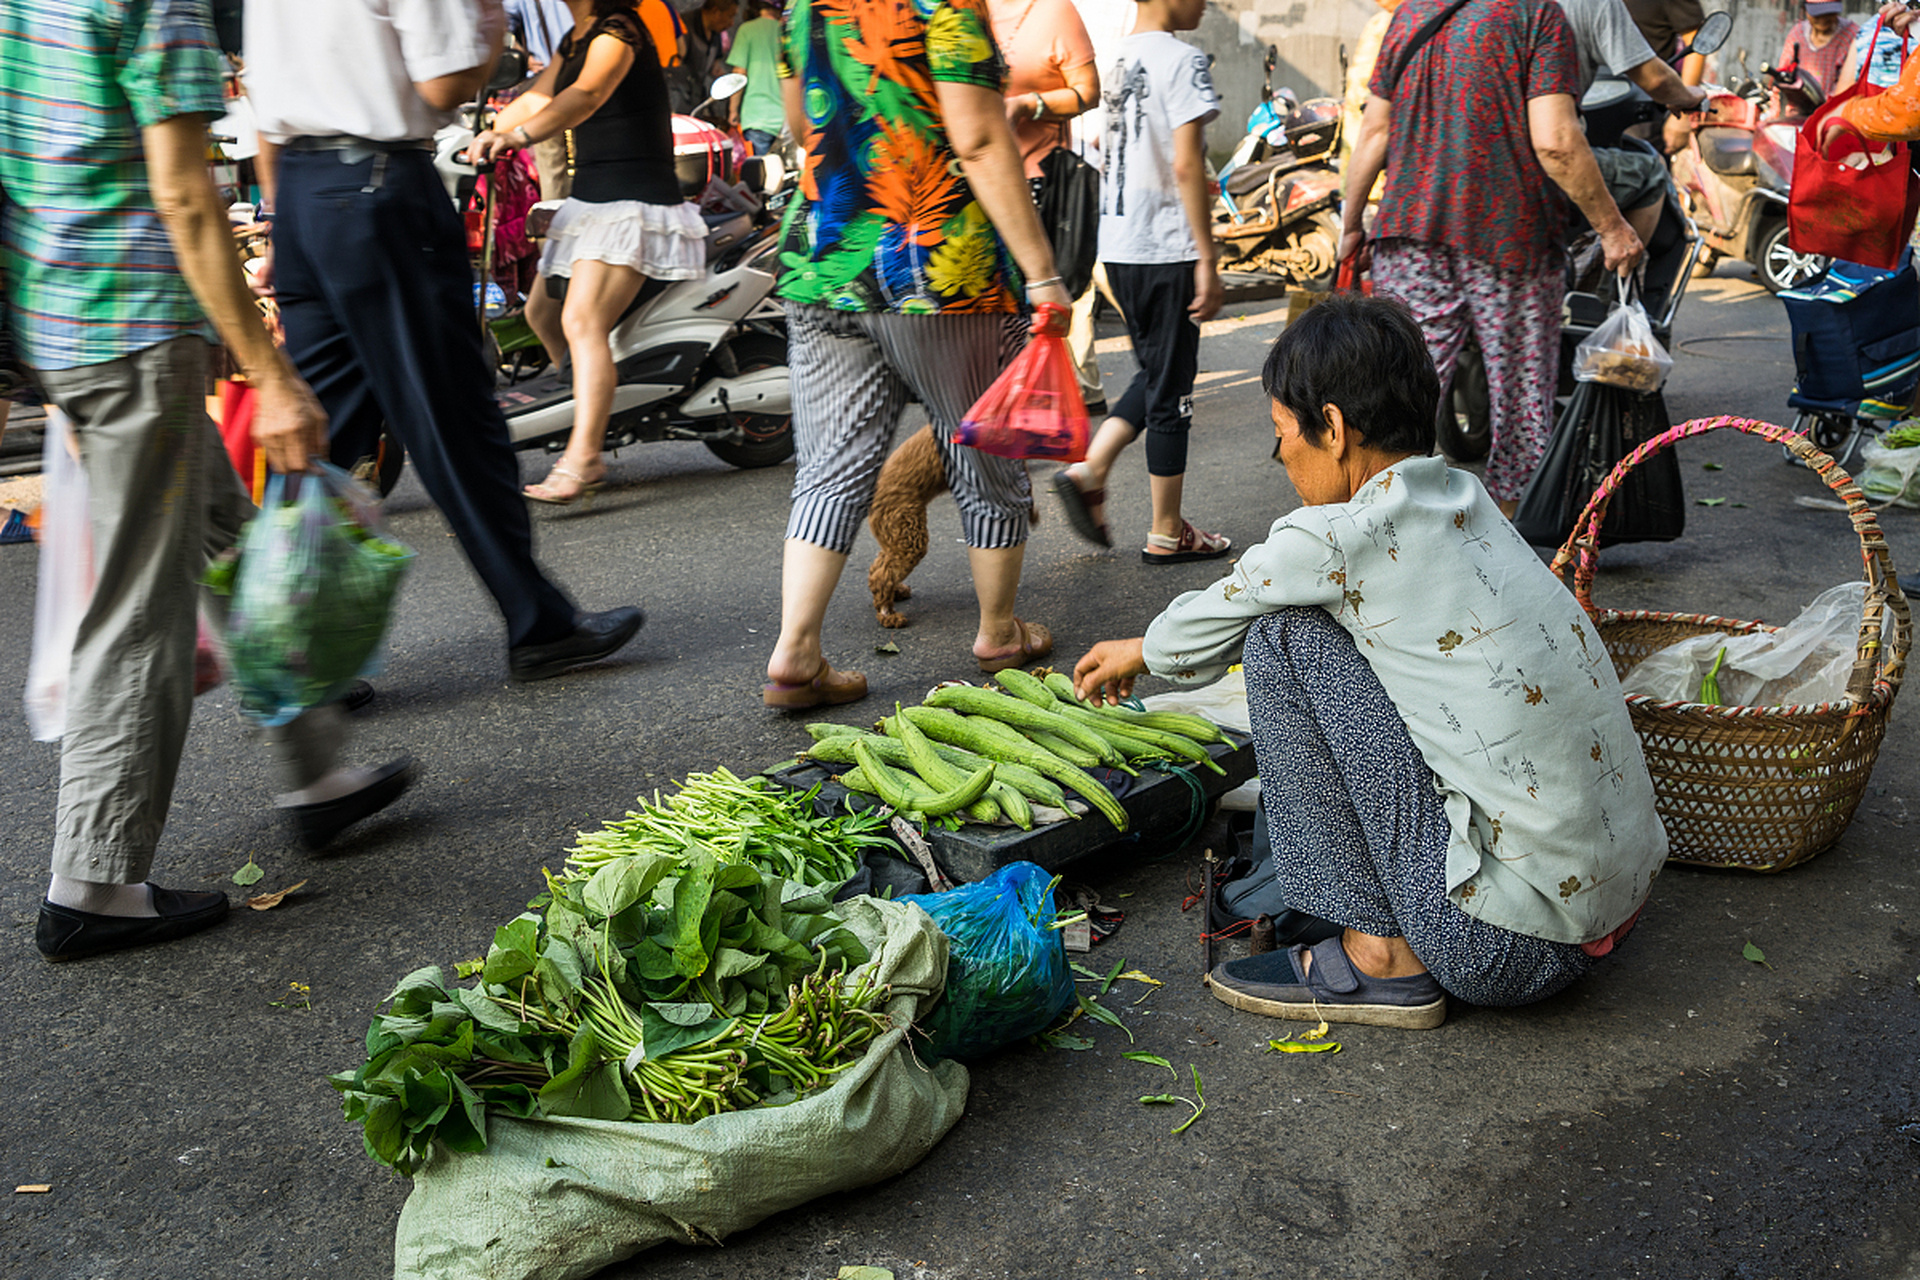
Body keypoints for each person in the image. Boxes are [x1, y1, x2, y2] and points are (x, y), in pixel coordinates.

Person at [1072, 295, 1667, 1029]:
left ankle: (1379, 956)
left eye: (1283, 434)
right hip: (1617, 902)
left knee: (1283, 638)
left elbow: (1218, 617)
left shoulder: (1341, 534)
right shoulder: (1468, 501)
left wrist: (1138, 650)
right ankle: (1394, 934)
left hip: (1507, 947)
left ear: (1335, 427)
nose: (1281, 457)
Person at [2, 0, 415, 961]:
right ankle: (93, 881)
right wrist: (268, 370)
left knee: (232, 539)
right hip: (131, 325)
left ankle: (317, 774)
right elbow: (186, 195)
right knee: (141, 606)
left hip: (66, 315)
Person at [244, 0, 645, 682]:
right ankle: (540, 623)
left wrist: (282, 218)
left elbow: (262, 97)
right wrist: (486, 34)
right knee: (454, 417)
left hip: (301, 193)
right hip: (377, 186)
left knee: (326, 432)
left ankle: (294, 656)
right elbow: (446, 85)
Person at [763, 0, 1075, 709]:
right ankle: (999, 631)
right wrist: (1042, 272)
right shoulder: (945, 4)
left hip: (824, 259)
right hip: (934, 267)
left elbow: (801, 123)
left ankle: (796, 651)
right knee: (985, 452)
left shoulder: (804, 6)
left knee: (829, 468)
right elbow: (979, 139)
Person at [1339, 0, 1644, 516]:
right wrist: (1612, 229)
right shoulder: (1536, 16)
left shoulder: (1411, 15)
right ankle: (1507, 539)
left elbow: (1374, 130)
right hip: (1510, 238)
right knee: (1521, 397)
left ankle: (1371, 525)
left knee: (1399, 389)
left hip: (1410, 231)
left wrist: (1351, 225)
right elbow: (1557, 142)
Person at [473, 0, 708, 504]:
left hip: (635, 200)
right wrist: (483, 133)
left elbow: (586, 94)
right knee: (541, 312)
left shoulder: (619, 31)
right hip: (592, 200)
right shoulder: (576, 38)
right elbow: (539, 96)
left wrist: (516, 137)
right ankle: (592, 408)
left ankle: (586, 454)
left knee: (582, 321)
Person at [1050, 0, 1230, 564]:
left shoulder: (1114, 60)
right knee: (1172, 392)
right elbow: (1186, 164)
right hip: (1166, 247)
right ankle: (1166, 530)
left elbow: (1107, 146)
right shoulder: (1183, 59)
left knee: (1158, 369)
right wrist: (1207, 256)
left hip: (1120, 247)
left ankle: (1092, 469)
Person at [989, 0, 1106, 414]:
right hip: (974, 184)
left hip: (1038, 184)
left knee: (1043, 301)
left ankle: (1039, 409)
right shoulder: (961, 10)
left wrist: (1027, 105)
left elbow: (1088, 92)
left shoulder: (1054, 11)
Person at [1554, 0, 1707, 246]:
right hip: (1553, 142)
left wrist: (1682, 117)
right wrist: (1687, 99)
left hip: (1635, 104)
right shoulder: (1589, 6)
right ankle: (1614, 277)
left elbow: (1694, 40)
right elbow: (1554, 142)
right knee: (1650, 175)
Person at [727, 0, 786, 154]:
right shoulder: (787, 31)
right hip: (787, 120)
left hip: (757, 117)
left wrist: (733, 110)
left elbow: (739, 73)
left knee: (760, 173)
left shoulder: (747, 30)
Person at [1780, 0, 1859, 95]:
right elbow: (1781, 75)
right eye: (1817, 14)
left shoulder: (1852, 36)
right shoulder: (1797, 34)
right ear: (1805, 10)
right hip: (1798, 106)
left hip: (1836, 106)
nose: (1823, 19)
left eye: (1828, 13)